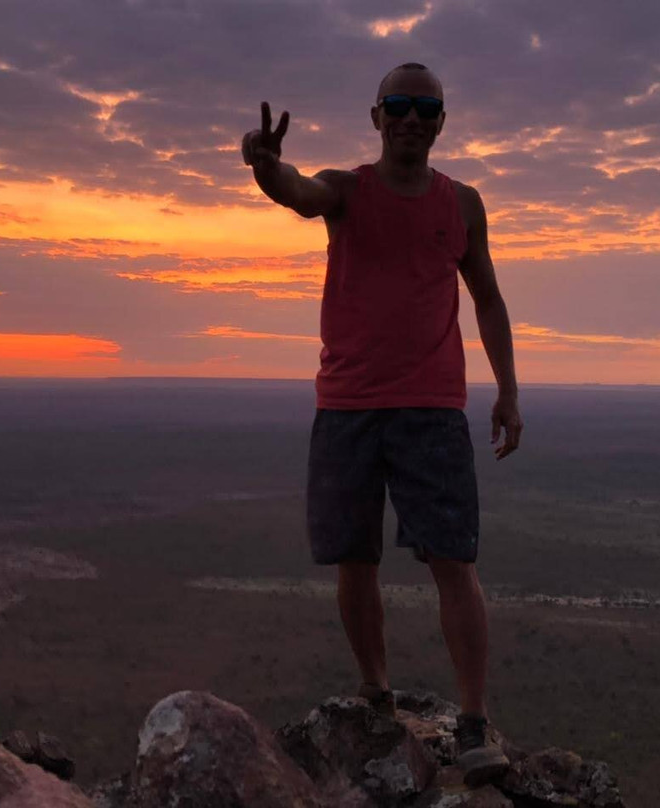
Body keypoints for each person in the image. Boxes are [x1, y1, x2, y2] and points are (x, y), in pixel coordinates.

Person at [241, 62, 523, 786]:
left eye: (425, 108)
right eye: (398, 105)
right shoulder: (347, 190)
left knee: (454, 560)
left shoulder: (462, 205)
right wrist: (267, 167)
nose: (411, 118)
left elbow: (487, 300)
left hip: (432, 407)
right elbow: (296, 192)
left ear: (440, 121)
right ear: (376, 117)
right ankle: (375, 691)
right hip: (348, 404)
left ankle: (471, 721)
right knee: (354, 556)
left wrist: (508, 390)